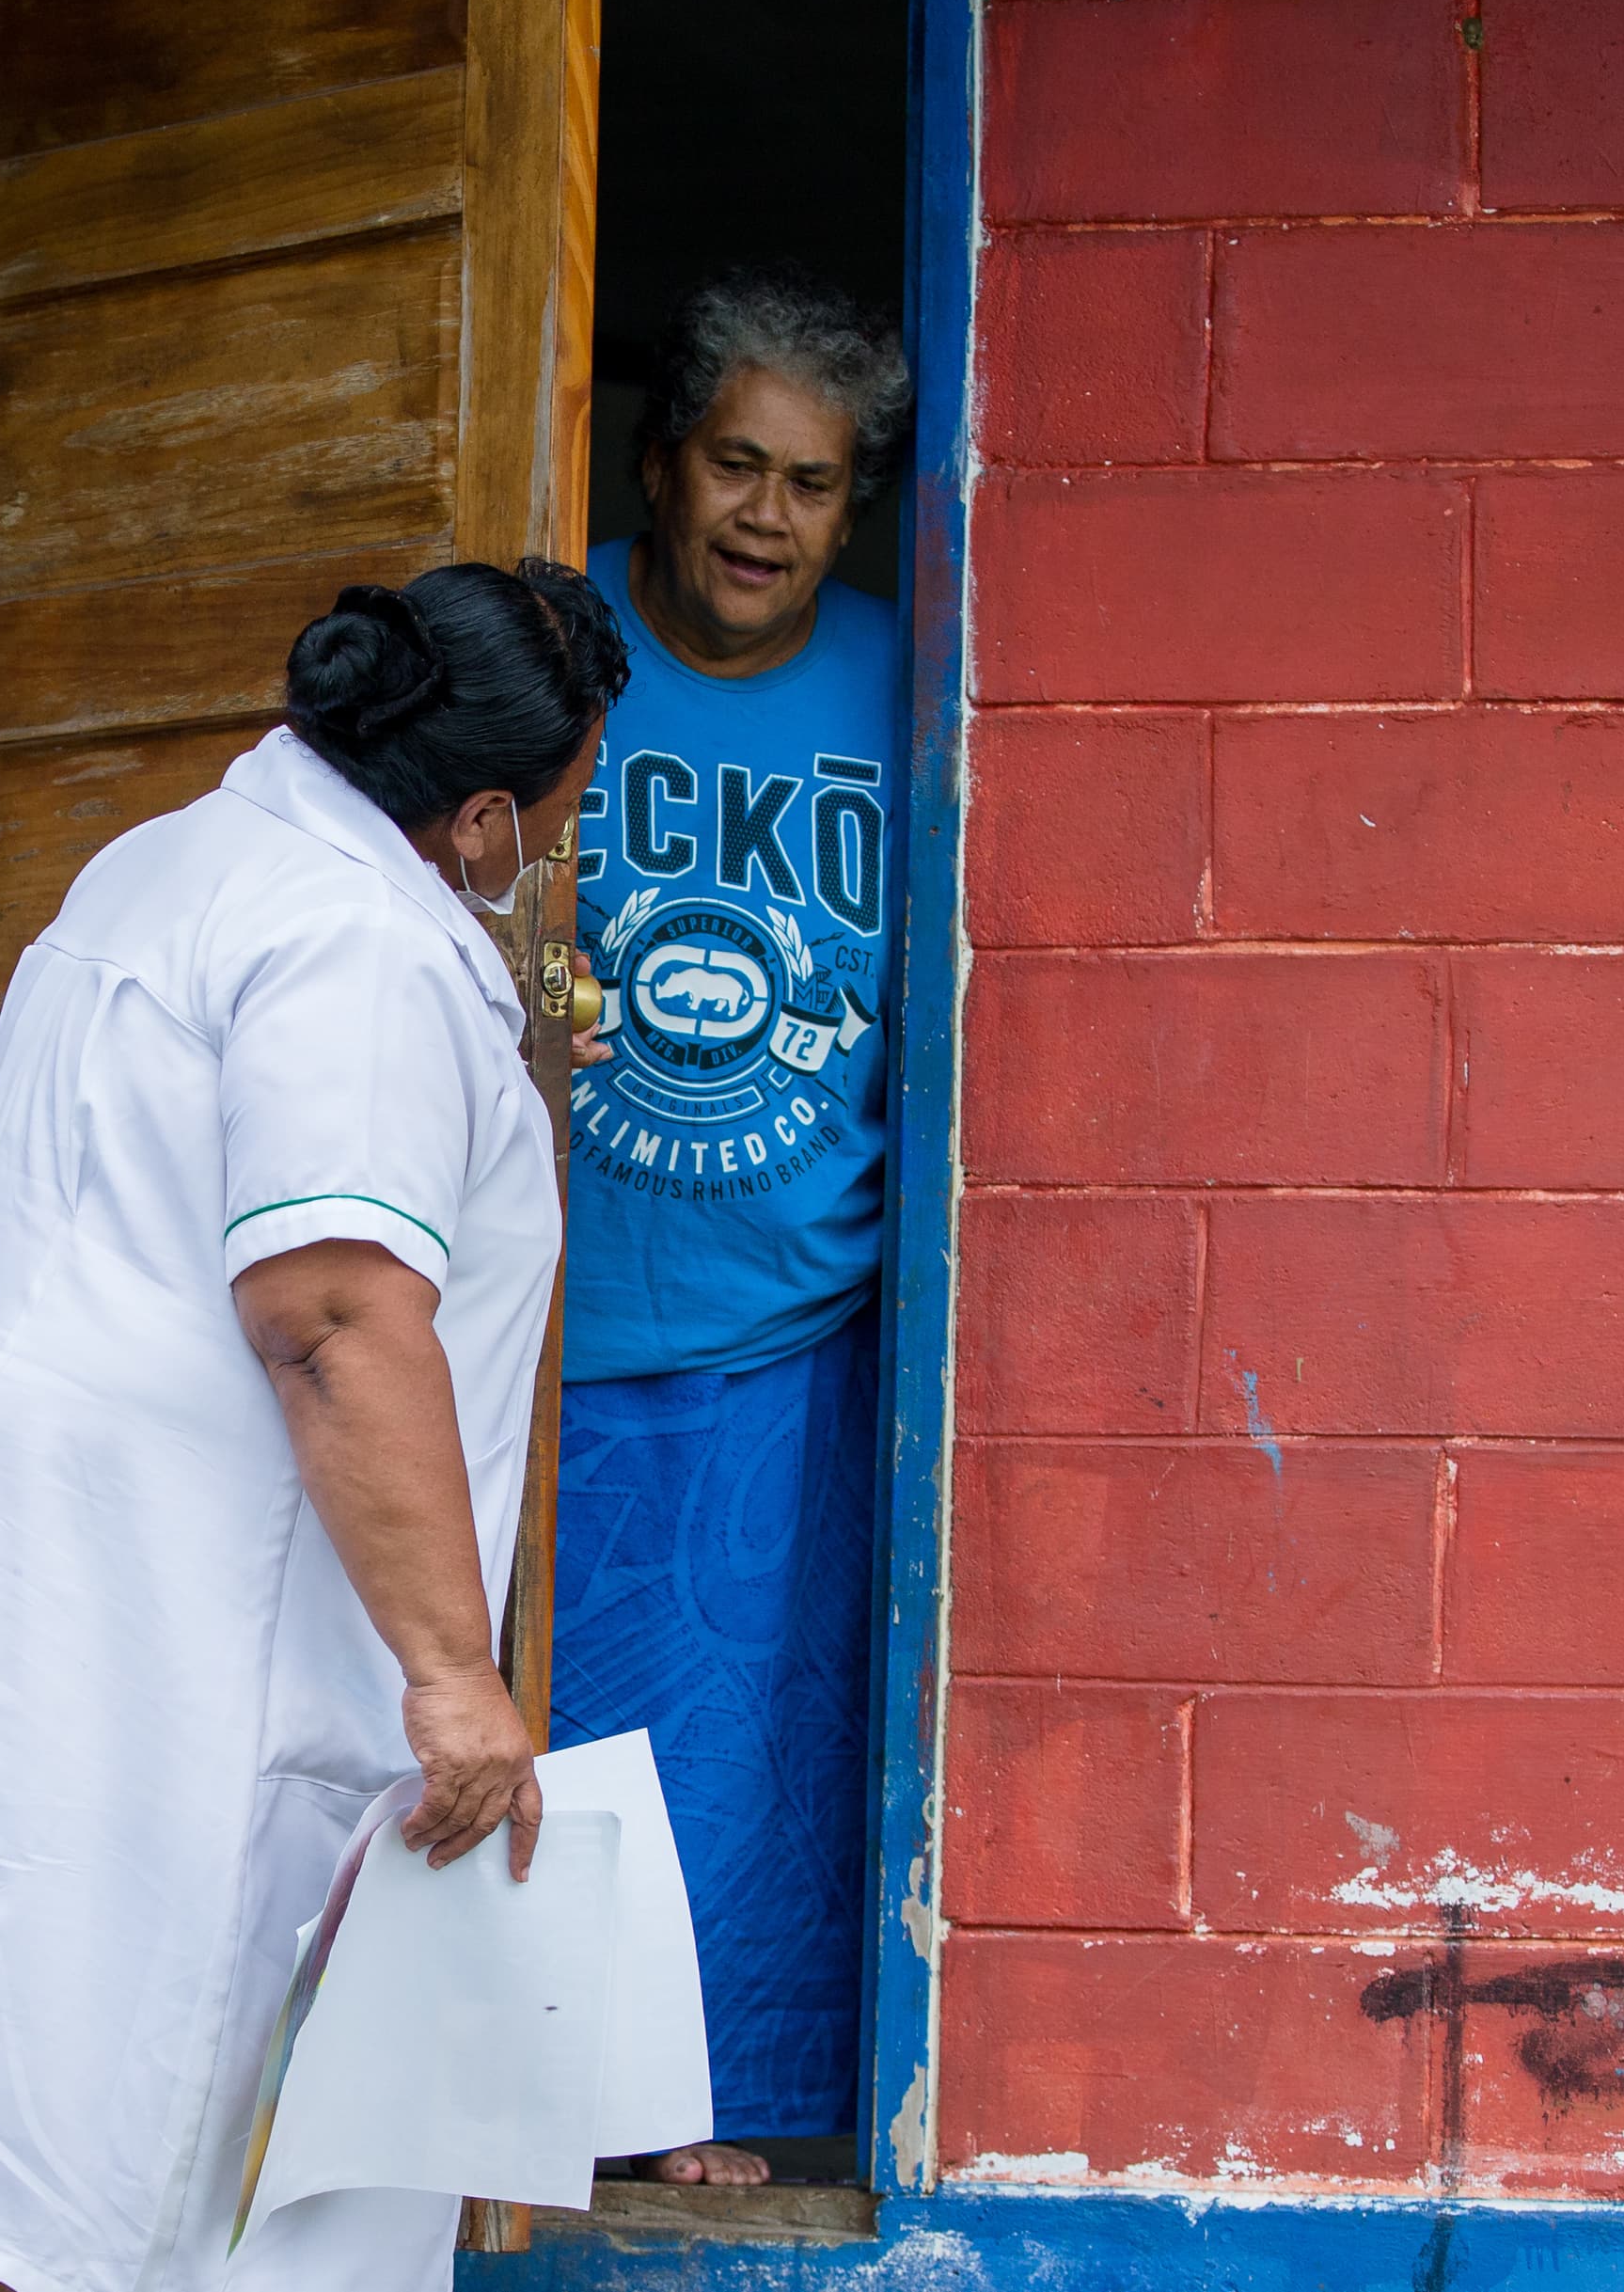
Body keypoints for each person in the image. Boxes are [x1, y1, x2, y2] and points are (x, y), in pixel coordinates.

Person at [0, 562, 630, 2292]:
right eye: (548, 826)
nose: (533, 865)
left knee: (59, 2150)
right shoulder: (357, 939)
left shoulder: (165, 864)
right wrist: (450, 1667)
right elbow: (334, 1310)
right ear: (485, 814)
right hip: (185, 1613)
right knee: (186, 2172)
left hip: (67, 1574)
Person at [557, 264, 915, 2186]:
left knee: (757, 1747)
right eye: (736, 466)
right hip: (564, 1309)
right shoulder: (556, 649)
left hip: (802, 1309)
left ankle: (712, 2104)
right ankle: (550, 2103)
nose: (768, 517)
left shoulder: (910, 666)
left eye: (814, 484)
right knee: (554, 1736)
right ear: (659, 463)